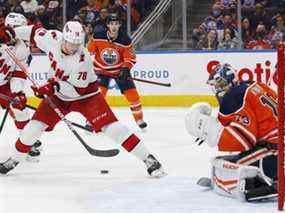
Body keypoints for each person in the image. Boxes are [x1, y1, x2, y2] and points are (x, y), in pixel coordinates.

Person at [0, 20, 166, 178]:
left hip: (87, 96)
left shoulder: (82, 59)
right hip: (58, 96)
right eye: (70, 43)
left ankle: (149, 159)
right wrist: (12, 33)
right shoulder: (52, 39)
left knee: (113, 128)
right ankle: (14, 159)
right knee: (33, 128)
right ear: (63, 38)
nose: (73, 47)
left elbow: (76, 91)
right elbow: (32, 32)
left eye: (77, 44)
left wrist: (51, 87)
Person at [185, 63, 278, 202]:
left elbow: (243, 140)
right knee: (232, 161)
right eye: (216, 85)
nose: (218, 89)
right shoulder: (256, 85)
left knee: (237, 164)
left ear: (231, 80)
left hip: (276, 149)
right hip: (276, 143)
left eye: (221, 83)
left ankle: (263, 182)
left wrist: (210, 130)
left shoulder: (233, 96)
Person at [87, 13, 147, 130]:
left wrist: (125, 69)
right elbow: (89, 51)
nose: (114, 26)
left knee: (133, 95)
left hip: (119, 71)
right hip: (101, 71)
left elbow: (130, 58)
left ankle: (139, 119)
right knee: (98, 96)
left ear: (119, 25)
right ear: (108, 25)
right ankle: (91, 121)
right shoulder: (98, 36)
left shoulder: (125, 39)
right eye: (111, 24)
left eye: (116, 24)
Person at [0, 12, 41, 161]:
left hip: (3, 83)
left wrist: (17, 92)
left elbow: (19, 72)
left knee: (20, 110)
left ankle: (26, 141)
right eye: (16, 28)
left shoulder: (22, 48)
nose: (19, 32)